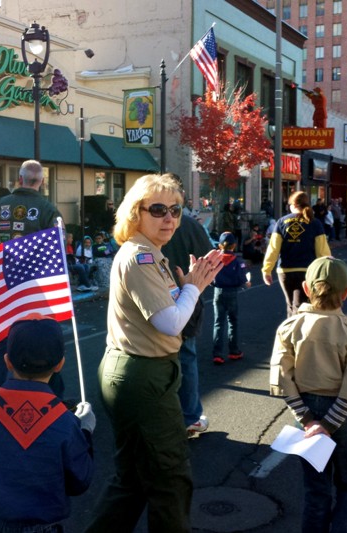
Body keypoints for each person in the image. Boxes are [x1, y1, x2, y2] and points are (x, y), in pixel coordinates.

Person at [86, 174, 223, 533]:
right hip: (142, 375)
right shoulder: (141, 257)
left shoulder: (149, 253)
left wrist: (190, 286)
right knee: (170, 478)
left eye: (176, 210)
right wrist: (192, 288)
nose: (169, 218)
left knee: (132, 479)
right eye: (158, 209)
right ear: (135, 213)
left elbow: (166, 311)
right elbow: (169, 322)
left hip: (134, 371)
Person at [0, 315, 95, 533]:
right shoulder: (64, 421)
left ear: (7, 361)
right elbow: (80, 480)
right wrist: (86, 432)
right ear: (60, 364)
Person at [269, 257, 347, 533]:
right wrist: (329, 424)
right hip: (342, 414)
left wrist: (309, 421)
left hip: (306, 409)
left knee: (316, 488)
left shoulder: (288, 328)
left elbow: (282, 379)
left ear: (306, 287)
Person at [0, 160, 63, 401]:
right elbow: (56, 255)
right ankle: (51, 400)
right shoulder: (48, 210)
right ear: (42, 182)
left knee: (0, 351)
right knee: (43, 346)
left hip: (3, 290)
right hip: (35, 293)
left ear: (19, 180)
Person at [160, 173, 215, 439]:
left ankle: (170, 415)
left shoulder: (147, 221)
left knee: (156, 356)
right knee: (185, 357)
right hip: (184, 296)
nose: (167, 219)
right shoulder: (191, 226)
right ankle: (189, 416)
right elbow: (211, 262)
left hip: (155, 296)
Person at [262, 191, 331, 317]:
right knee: (302, 306)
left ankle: (290, 333)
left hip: (285, 270)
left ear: (293, 204)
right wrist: (326, 272)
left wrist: (267, 270)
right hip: (308, 270)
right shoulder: (315, 223)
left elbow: (273, 249)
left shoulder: (282, 222)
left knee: (290, 305)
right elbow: (322, 251)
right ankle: (299, 334)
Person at [211, 232, 251, 366]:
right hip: (232, 292)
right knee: (232, 322)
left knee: (218, 323)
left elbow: (210, 278)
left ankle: (217, 354)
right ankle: (234, 351)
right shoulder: (238, 261)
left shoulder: (216, 260)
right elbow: (242, 279)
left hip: (218, 292)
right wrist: (246, 283)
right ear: (234, 245)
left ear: (220, 245)